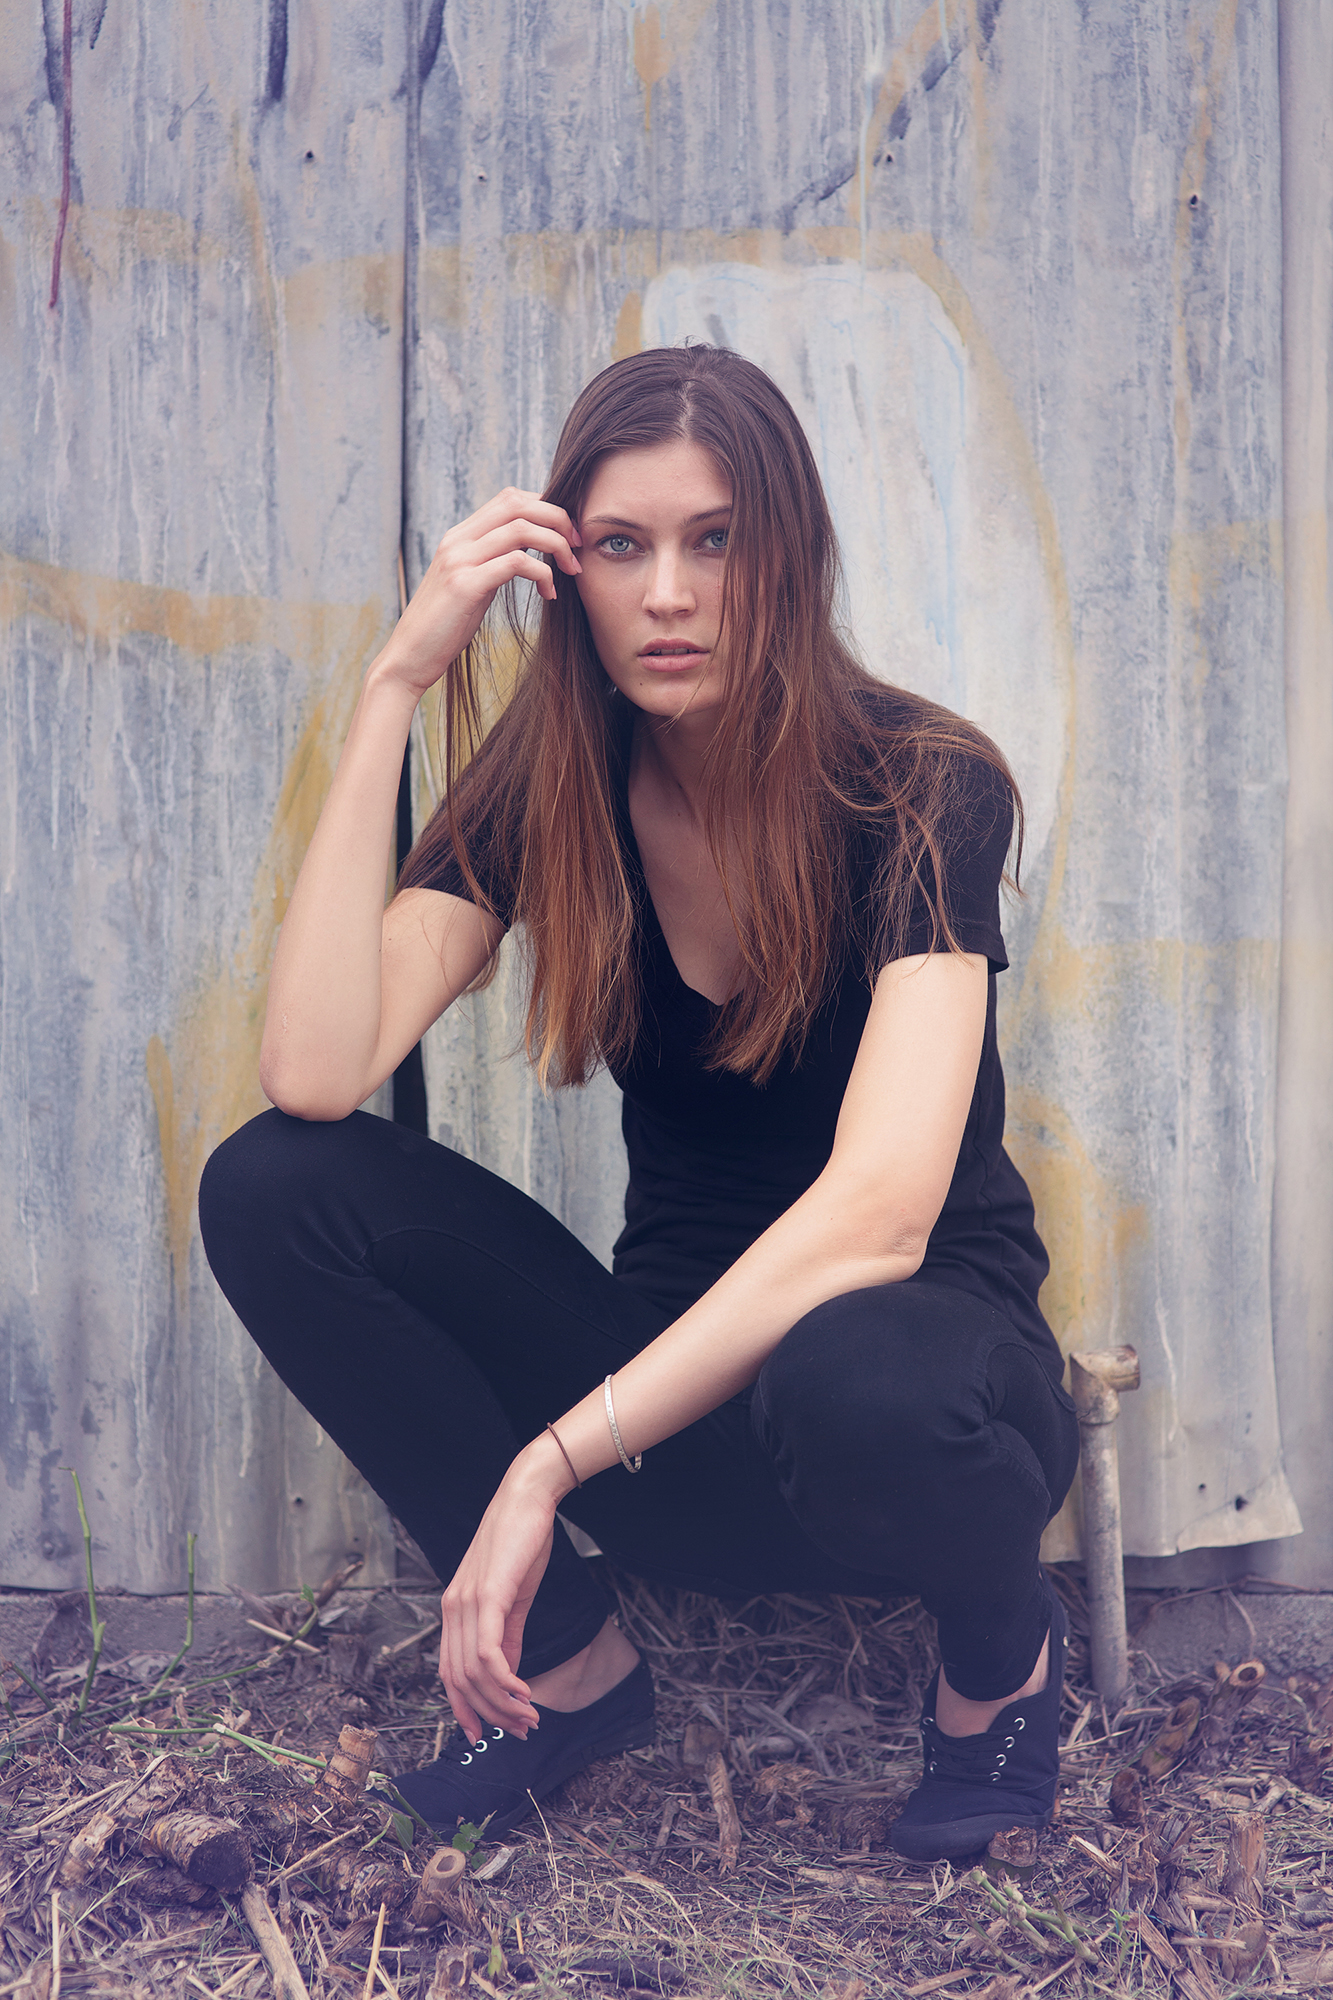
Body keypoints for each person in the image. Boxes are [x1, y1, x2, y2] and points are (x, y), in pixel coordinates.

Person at [199, 343, 1080, 1864]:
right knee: (274, 1181)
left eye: (712, 539)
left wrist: (547, 1463)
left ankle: (998, 1671)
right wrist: (398, 683)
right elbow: (318, 1072)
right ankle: (569, 1670)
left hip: (919, 1406)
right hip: (680, 1436)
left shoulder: (922, 785)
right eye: (619, 545)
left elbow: (877, 1219)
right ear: (568, 577)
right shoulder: (557, 782)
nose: (667, 593)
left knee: (855, 1368)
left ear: (788, 554)